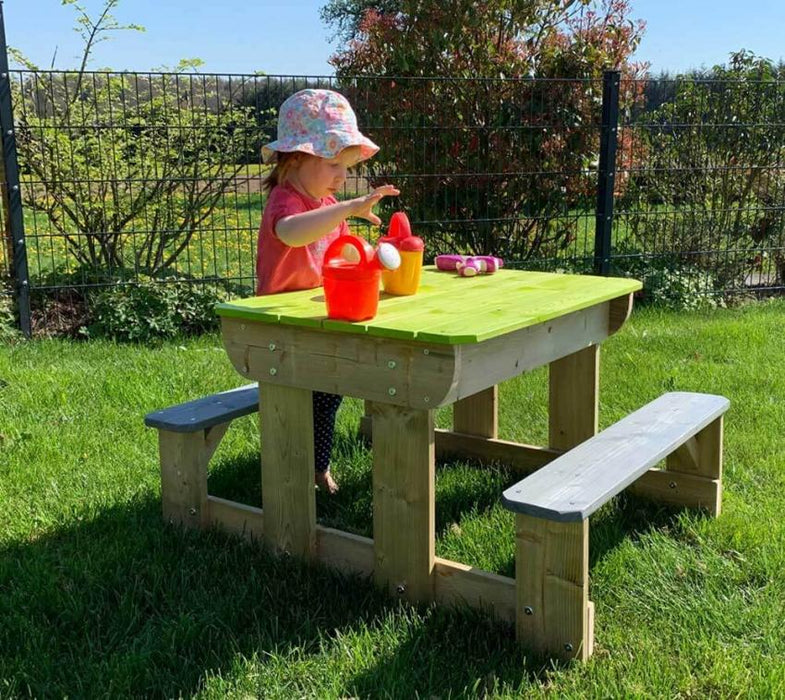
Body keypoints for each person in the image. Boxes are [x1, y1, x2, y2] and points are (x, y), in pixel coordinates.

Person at [257, 89, 399, 494]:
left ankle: (310, 465)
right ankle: (309, 473)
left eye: (347, 167)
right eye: (334, 164)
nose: (342, 176)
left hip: (314, 318)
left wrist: (374, 258)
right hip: (279, 328)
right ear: (297, 159)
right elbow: (293, 234)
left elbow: (342, 254)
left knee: (327, 393)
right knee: (315, 397)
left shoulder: (327, 202)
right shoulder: (287, 202)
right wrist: (346, 208)